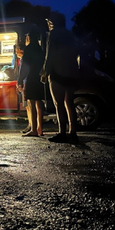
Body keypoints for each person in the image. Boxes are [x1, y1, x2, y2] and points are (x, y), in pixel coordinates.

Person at [40, 11, 80, 144]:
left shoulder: (53, 34)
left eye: (49, 21)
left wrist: (45, 72)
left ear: (52, 22)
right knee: (69, 103)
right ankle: (73, 132)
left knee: (59, 104)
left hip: (57, 73)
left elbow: (49, 55)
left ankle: (62, 132)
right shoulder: (70, 35)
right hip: (72, 72)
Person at [18, 27, 46, 137]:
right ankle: (40, 128)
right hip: (39, 78)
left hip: (31, 78)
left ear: (29, 37)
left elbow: (25, 67)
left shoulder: (29, 49)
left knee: (32, 103)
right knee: (39, 103)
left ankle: (33, 129)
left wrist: (20, 79)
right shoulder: (40, 49)